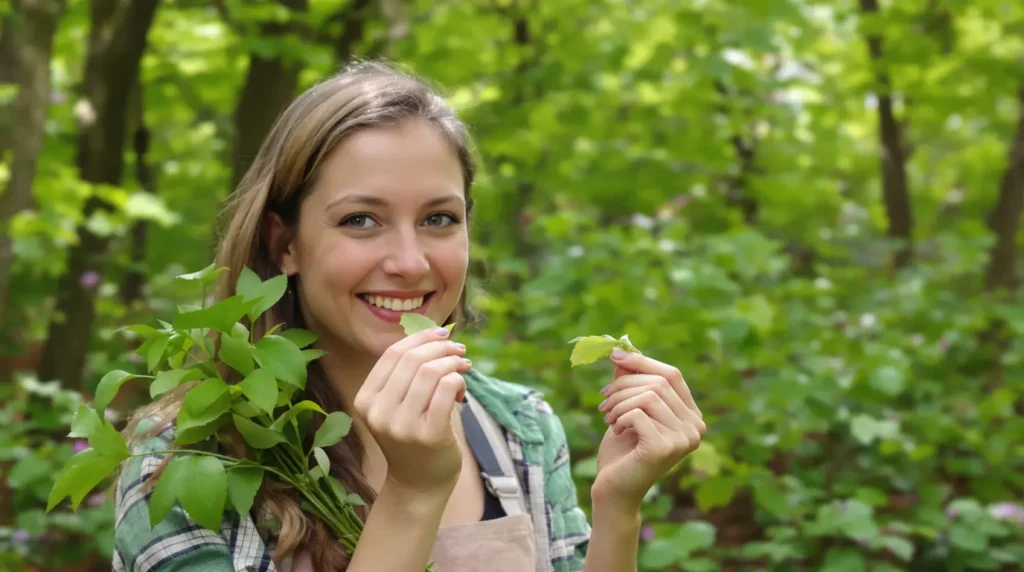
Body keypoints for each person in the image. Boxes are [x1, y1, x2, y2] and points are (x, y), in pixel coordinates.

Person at [112, 61, 706, 572]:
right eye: (361, 220)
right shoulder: (189, 457)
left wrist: (618, 508)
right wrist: (413, 491)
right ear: (283, 242)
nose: (410, 261)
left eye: (439, 218)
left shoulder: (519, 428)